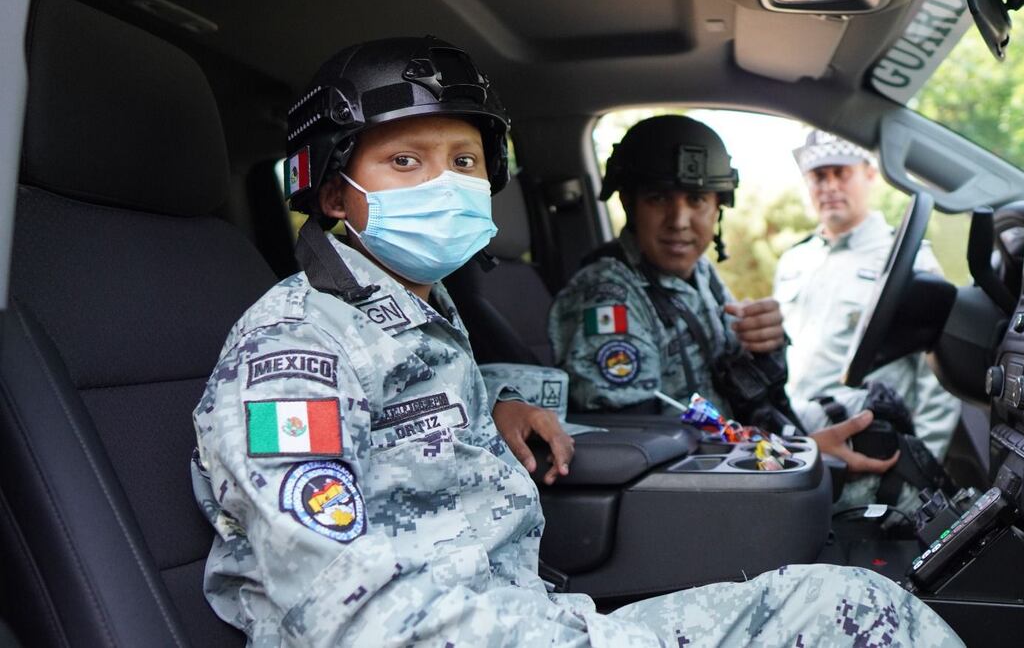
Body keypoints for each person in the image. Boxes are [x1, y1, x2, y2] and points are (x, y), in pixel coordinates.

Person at [191, 39, 961, 646]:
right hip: (471, 630)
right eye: (404, 161)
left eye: (462, 162)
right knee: (856, 617)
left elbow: (403, 426)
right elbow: (347, 620)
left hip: (516, 602)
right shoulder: (290, 351)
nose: (443, 184)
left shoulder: (417, 316)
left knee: (855, 603)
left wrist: (496, 403)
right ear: (334, 192)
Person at [549, 115, 901, 476]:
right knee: (888, 483)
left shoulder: (700, 275)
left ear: (718, 206)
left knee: (880, 420)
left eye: (697, 199)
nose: (680, 220)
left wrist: (766, 346)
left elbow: (738, 391)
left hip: (728, 454)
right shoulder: (607, 295)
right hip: (690, 484)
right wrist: (792, 455)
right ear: (629, 204)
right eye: (657, 198)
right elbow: (640, 447)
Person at [773, 131, 961, 464]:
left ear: (869, 174)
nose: (829, 186)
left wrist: (917, 467)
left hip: (871, 456)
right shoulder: (794, 261)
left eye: (841, 172)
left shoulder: (909, 260)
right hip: (799, 446)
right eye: (818, 176)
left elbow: (938, 379)